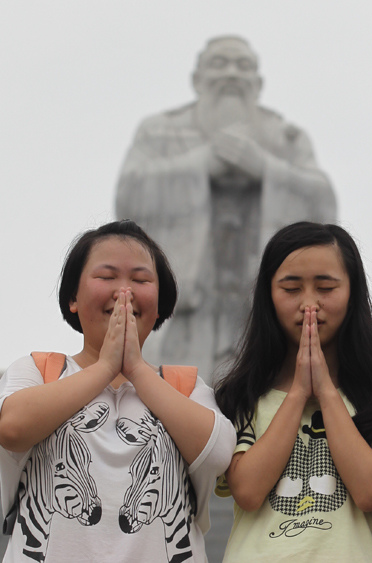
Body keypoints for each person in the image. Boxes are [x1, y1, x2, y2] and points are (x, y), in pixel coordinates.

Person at [0, 220, 236, 562]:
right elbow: (12, 427)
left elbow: (217, 454)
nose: (123, 291)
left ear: (159, 306)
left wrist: (137, 370)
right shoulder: (38, 371)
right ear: (73, 298)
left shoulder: (183, 387)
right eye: (107, 277)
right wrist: (104, 368)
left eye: (140, 280)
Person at [115, 35, 336, 380]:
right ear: (197, 79)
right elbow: (129, 195)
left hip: (255, 303)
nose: (232, 74)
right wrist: (201, 164)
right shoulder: (161, 132)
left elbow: (323, 205)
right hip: (188, 306)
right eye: (220, 64)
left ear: (258, 83)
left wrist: (264, 168)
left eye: (243, 66)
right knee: (174, 394)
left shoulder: (285, 137)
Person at [213, 221, 372, 562]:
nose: (309, 303)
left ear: (353, 293)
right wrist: (298, 393)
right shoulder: (240, 394)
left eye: (326, 287)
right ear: (268, 296)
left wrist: (326, 391)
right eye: (291, 288)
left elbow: (369, 492)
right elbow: (247, 491)